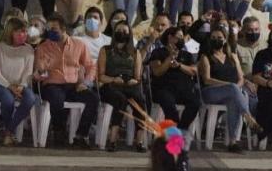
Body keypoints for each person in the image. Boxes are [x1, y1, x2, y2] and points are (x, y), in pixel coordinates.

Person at [34, 13, 98, 147]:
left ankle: (81, 135)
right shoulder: (43, 47)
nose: (50, 32)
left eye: (54, 29)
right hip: (52, 85)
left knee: (93, 99)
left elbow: (91, 66)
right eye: (48, 29)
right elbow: (40, 76)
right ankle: (59, 131)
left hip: (73, 85)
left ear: (63, 29)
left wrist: (86, 83)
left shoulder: (79, 45)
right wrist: (42, 70)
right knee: (56, 98)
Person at [199, 26, 259, 151]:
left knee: (234, 100)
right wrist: (229, 85)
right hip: (210, 92)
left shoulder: (232, 56)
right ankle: (248, 117)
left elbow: (241, 78)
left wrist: (235, 88)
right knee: (233, 89)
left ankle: (232, 142)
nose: (216, 40)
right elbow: (207, 79)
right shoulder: (206, 57)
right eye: (213, 38)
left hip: (230, 92)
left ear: (225, 39)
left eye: (219, 38)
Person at [0, 17, 38, 146]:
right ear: (10, 32)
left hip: (20, 85)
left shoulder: (28, 49)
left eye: (24, 31)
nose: (23, 35)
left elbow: (28, 73)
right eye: (19, 32)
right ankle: (9, 133)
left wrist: (21, 86)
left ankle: (8, 131)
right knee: (8, 100)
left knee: (30, 99)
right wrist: (9, 86)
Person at [97, 21, 147, 151]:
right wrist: (114, 79)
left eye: (125, 31)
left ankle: (139, 141)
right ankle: (113, 139)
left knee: (140, 100)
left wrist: (131, 81)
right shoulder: (105, 50)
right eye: (119, 30)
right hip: (110, 85)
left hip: (129, 85)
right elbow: (101, 76)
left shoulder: (135, 53)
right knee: (120, 100)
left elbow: (137, 78)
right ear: (114, 33)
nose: (122, 33)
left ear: (129, 34)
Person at [148, 26, 202, 134]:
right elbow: (157, 72)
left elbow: (193, 71)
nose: (181, 39)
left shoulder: (187, 55)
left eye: (182, 37)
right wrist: (169, 59)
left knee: (196, 102)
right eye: (179, 37)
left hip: (183, 89)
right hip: (164, 88)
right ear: (170, 37)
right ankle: (174, 132)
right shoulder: (158, 52)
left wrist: (179, 66)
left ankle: (181, 129)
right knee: (168, 103)